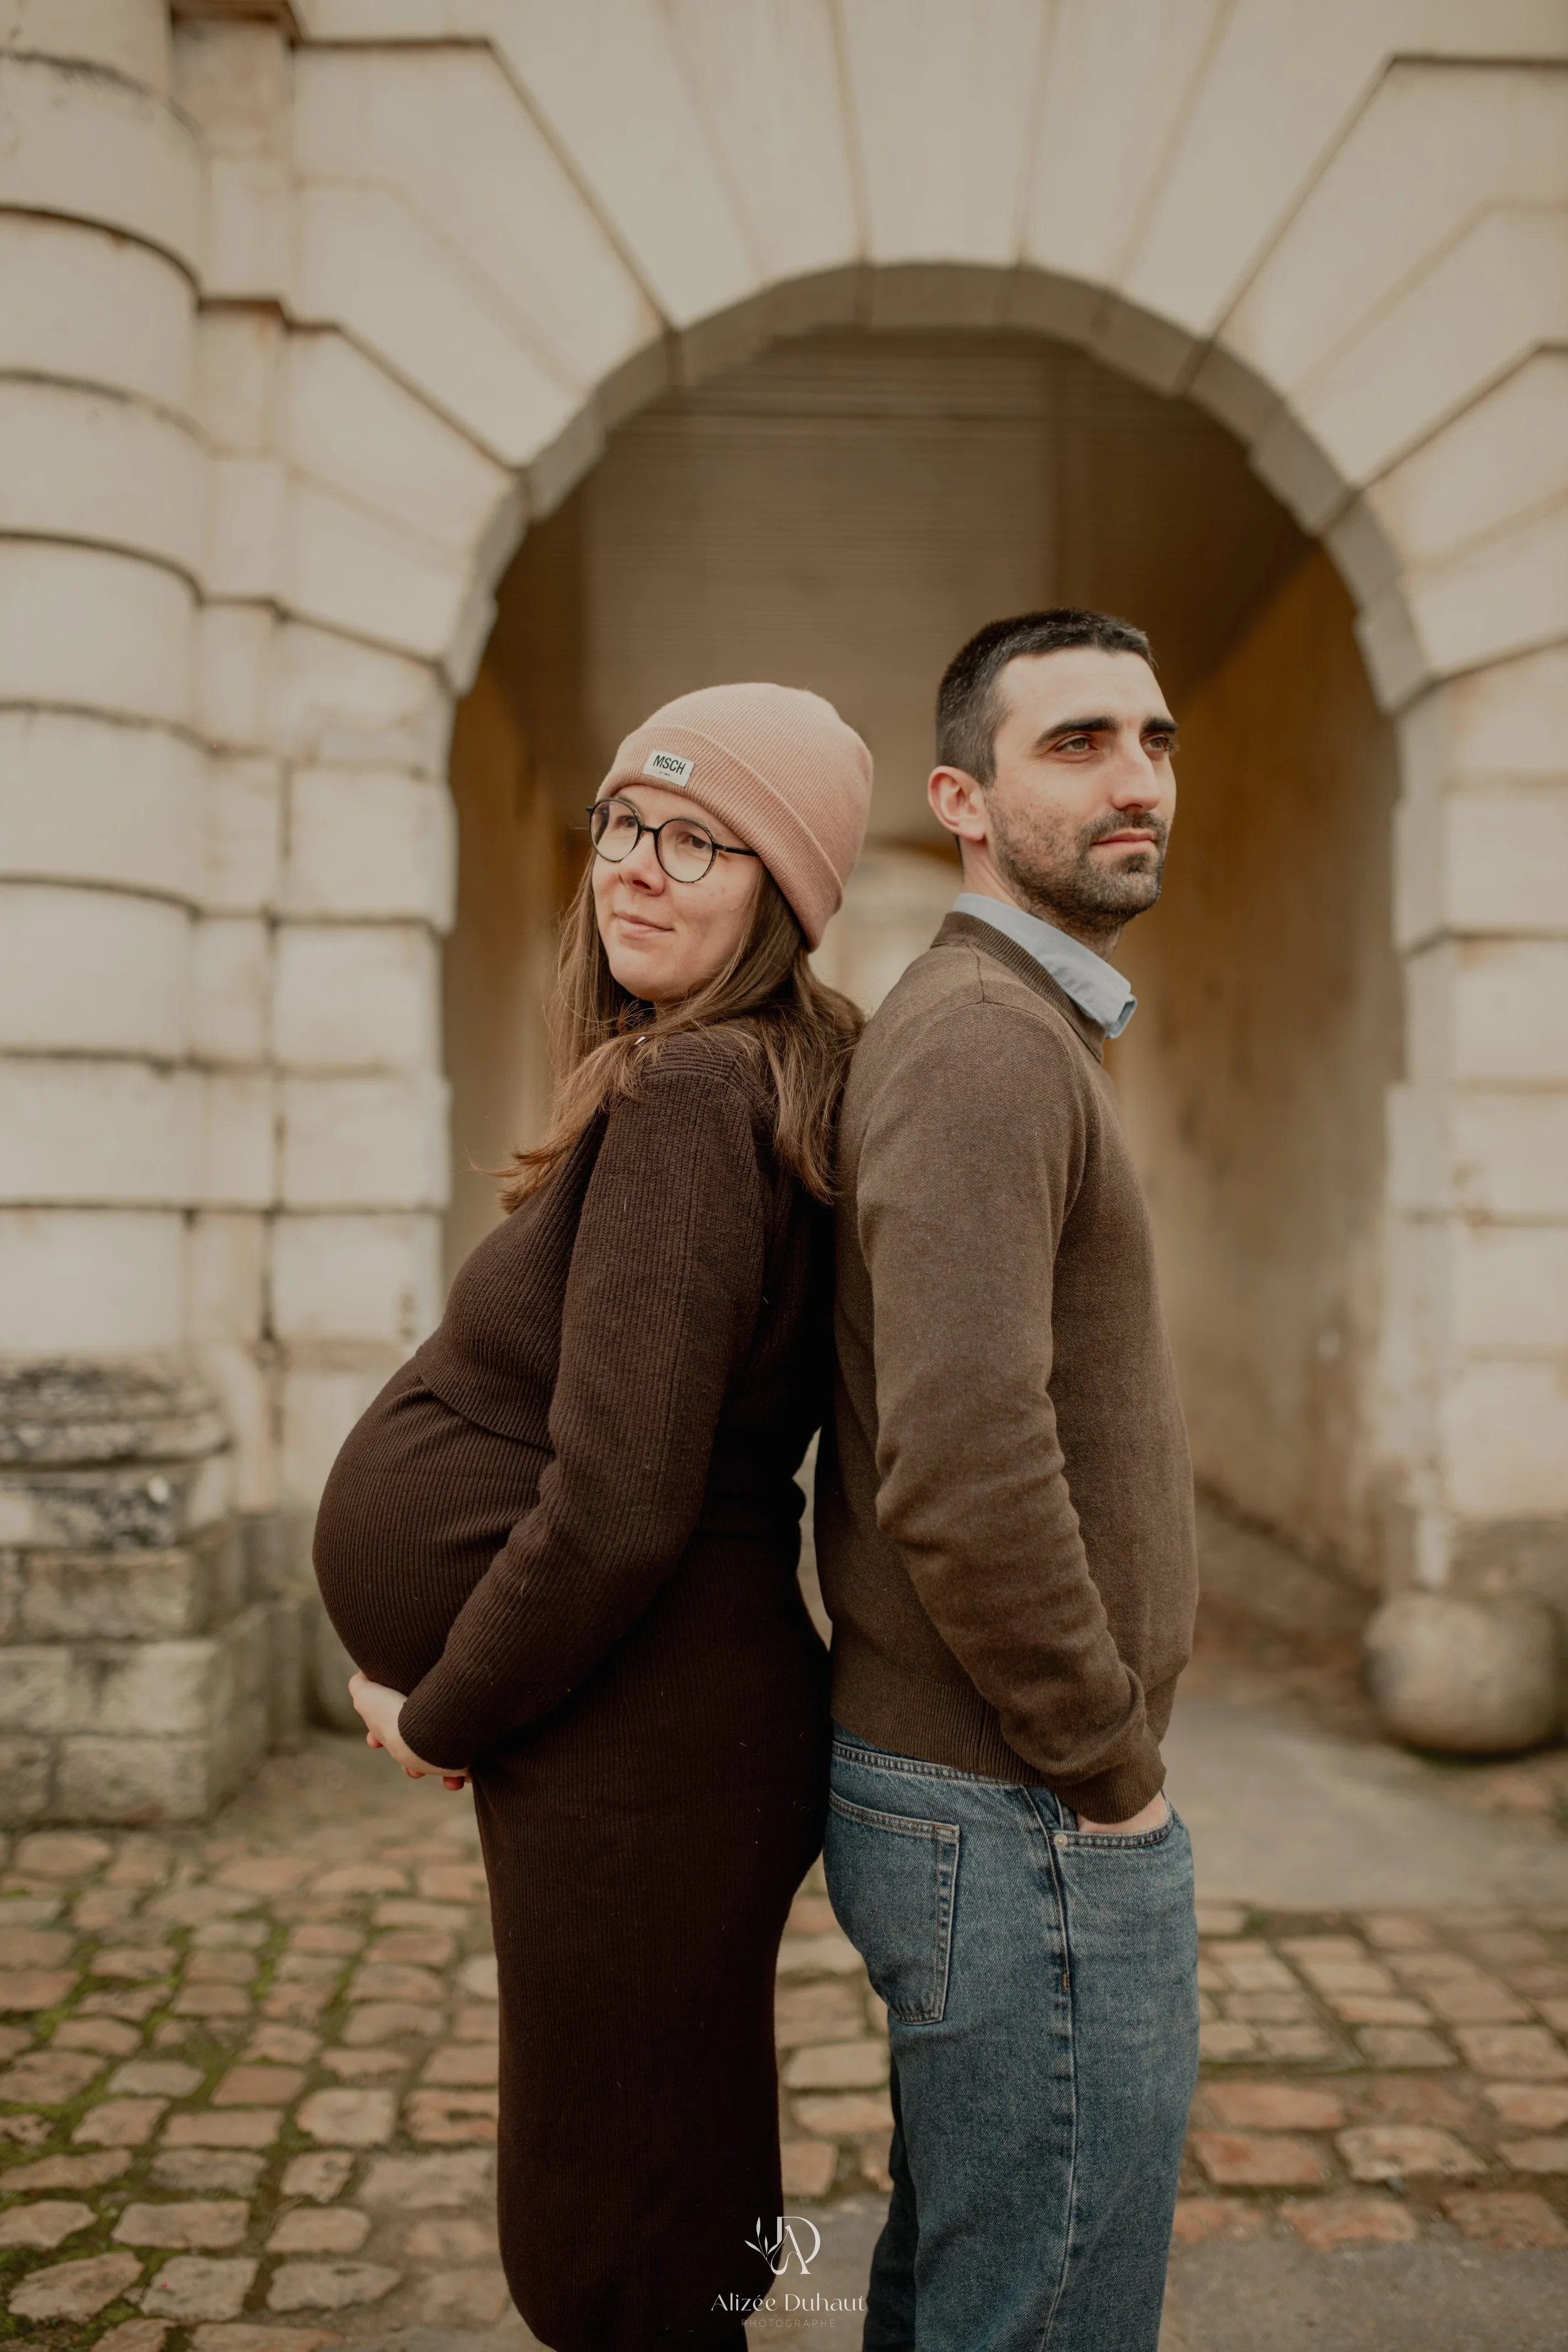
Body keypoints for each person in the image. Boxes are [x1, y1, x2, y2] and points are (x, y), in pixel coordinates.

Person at [311, 683, 871, 2352]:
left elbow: (621, 1502)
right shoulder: (745, 1073)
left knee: (614, 2253)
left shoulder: (695, 1097)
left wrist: (444, 1711)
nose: (637, 866)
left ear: (782, 891)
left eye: (700, 841)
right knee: (664, 2207)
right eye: (626, 822)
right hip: (658, 1741)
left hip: (643, 1747)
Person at [815, 609, 1200, 2351]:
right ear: (960, 798)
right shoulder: (983, 1041)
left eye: (1152, 735)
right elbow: (961, 1463)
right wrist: (1105, 1766)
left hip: (994, 1794)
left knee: (975, 2287)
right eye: (1078, 742)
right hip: (1015, 1798)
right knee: (1042, 2309)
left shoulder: (1015, 1024)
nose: (1136, 779)